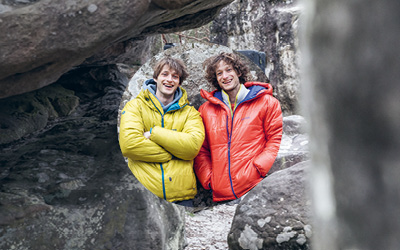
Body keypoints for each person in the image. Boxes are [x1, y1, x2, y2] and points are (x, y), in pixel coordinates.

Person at [194, 52, 282, 202]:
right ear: (215, 78)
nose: (225, 76)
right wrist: (208, 178)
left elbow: (275, 139)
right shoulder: (205, 110)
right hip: (220, 195)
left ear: (238, 72)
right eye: (219, 73)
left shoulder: (267, 102)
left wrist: (258, 168)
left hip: (254, 189)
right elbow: (201, 149)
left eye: (229, 70)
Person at [119, 57, 205, 204]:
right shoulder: (135, 106)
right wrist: (172, 152)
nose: (169, 80)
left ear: (179, 82)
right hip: (144, 194)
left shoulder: (190, 113)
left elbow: (192, 148)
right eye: (165, 74)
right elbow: (129, 145)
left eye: (175, 76)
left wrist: (154, 133)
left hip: (181, 196)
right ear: (155, 78)